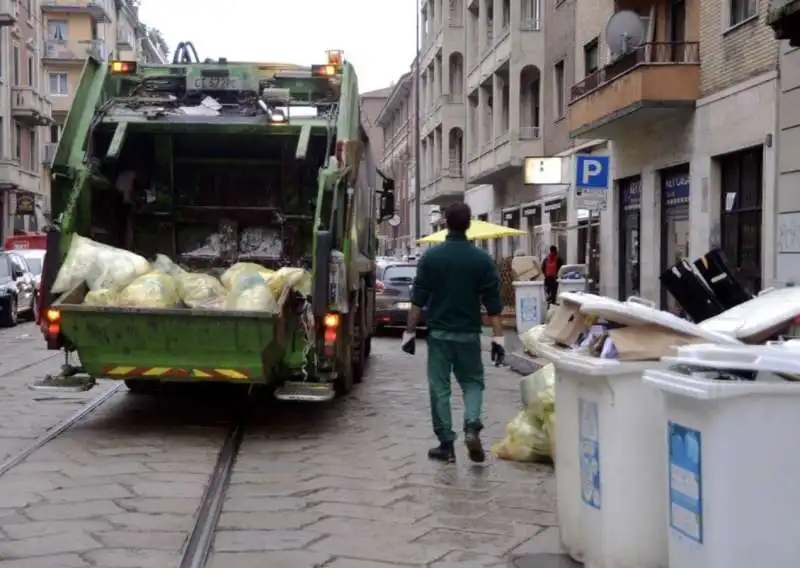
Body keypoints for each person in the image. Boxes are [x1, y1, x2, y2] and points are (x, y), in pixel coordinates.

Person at [401, 202, 505, 464]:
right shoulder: (482, 260)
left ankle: (446, 444)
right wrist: (498, 339)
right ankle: (472, 423)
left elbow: (417, 301)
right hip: (469, 334)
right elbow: (493, 305)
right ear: (469, 224)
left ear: (445, 222)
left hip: (439, 335)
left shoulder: (431, 258)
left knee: (440, 387)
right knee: (472, 382)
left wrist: (409, 333)